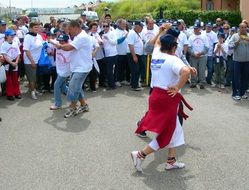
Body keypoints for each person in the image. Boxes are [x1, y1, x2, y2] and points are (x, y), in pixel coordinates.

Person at [131, 34, 192, 172]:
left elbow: (157, 43)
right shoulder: (173, 59)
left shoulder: (156, 54)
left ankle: (171, 161)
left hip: (156, 95)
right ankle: (140, 155)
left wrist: (162, 30)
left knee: (176, 130)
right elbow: (186, 71)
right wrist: (177, 87)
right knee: (168, 133)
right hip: (167, 98)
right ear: (173, 47)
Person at [50, 20, 92, 118]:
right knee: (77, 87)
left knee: (73, 88)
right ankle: (84, 105)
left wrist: (58, 45)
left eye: (69, 29)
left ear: (74, 27)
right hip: (77, 67)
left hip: (82, 68)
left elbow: (68, 47)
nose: (68, 32)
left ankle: (73, 108)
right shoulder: (78, 36)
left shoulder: (82, 37)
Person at [50, 34, 71, 110]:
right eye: (59, 41)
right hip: (59, 70)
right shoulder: (58, 44)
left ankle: (58, 104)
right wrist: (54, 42)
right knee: (63, 87)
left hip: (65, 71)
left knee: (56, 85)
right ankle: (75, 98)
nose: (60, 42)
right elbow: (50, 40)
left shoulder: (69, 48)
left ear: (66, 41)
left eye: (62, 41)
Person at [23, 21, 44, 100]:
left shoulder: (39, 36)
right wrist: (32, 62)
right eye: (35, 27)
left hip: (38, 60)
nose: (37, 29)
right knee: (32, 78)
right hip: (29, 61)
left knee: (36, 77)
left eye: (38, 27)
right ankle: (32, 92)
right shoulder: (28, 37)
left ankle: (34, 89)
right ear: (30, 28)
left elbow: (43, 45)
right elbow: (26, 50)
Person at [229, 22, 249, 100]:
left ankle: (242, 92)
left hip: (247, 61)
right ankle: (235, 94)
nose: (243, 29)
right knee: (236, 78)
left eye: (245, 27)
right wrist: (237, 41)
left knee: (245, 78)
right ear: (239, 28)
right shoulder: (234, 36)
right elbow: (230, 46)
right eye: (242, 27)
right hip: (237, 61)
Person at [1, 29, 21, 101]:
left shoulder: (15, 43)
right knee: (9, 80)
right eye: (11, 35)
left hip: (15, 64)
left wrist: (16, 61)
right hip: (8, 65)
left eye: (13, 35)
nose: (12, 36)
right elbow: (4, 55)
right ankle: (10, 94)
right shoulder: (4, 45)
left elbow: (18, 53)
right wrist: (11, 62)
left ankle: (17, 92)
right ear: (6, 36)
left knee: (15, 79)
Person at [188, 23, 209, 89]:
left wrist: (201, 53)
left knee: (202, 70)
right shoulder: (191, 37)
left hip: (202, 56)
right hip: (193, 56)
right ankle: (193, 82)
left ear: (200, 28)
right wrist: (193, 53)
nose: (195, 29)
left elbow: (207, 47)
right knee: (194, 70)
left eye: (196, 28)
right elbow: (189, 47)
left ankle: (202, 83)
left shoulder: (204, 36)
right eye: (194, 28)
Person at [127, 21, 144, 91]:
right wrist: (134, 56)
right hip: (133, 54)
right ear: (136, 27)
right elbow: (130, 45)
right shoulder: (132, 33)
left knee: (138, 69)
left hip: (138, 54)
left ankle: (134, 83)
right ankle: (134, 85)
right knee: (135, 70)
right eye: (141, 27)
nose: (142, 29)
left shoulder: (136, 33)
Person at [102, 21, 118, 89]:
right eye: (104, 26)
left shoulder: (112, 33)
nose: (105, 27)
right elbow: (104, 45)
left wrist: (108, 39)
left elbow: (115, 43)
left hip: (113, 54)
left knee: (109, 70)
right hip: (107, 55)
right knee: (108, 70)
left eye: (107, 26)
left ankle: (112, 85)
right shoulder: (103, 34)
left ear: (109, 26)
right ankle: (111, 84)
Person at [115, 19, 130, 86]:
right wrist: (124, 36)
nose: (125, 25)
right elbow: (117, 41)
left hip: (126, 52)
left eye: (125, 24)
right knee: (118, 67)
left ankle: (122, 79)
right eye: (123, 24)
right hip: (119, 53)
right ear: (119, 24)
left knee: (124, 67)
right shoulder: (116, 32)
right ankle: (117, 80)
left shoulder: (125, 31)